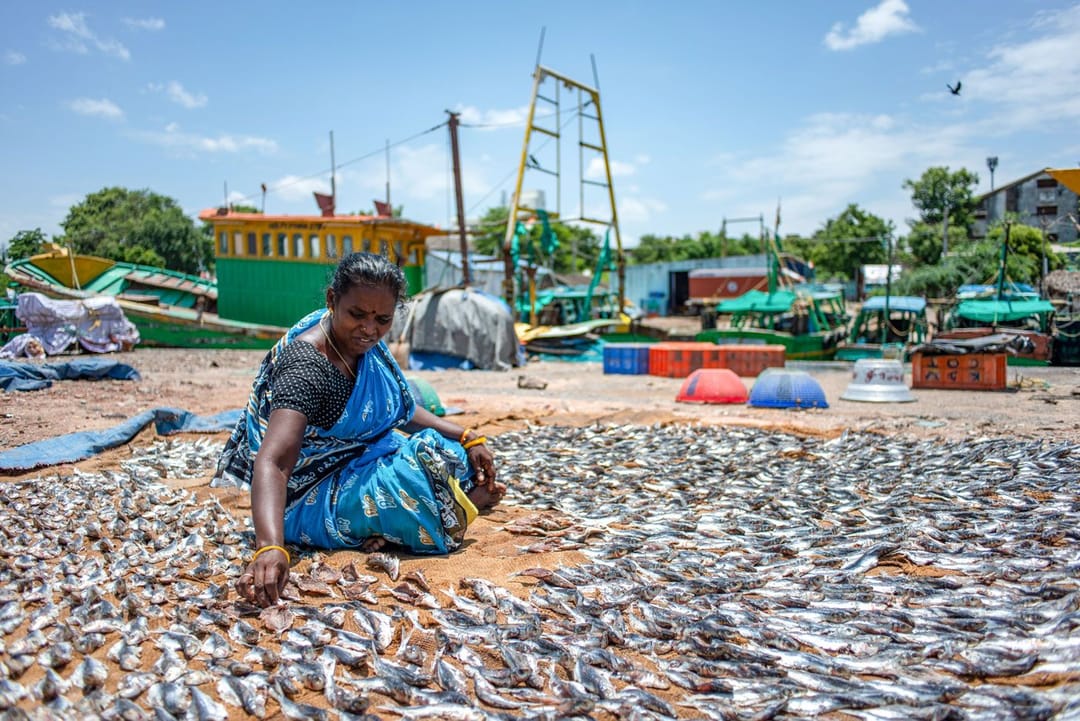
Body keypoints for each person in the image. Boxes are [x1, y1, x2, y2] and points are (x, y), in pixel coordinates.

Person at [213, 252, 504, 608]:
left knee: (450, 453)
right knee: (410, 485)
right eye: (357, 315)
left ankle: (424, 516)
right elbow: (273, 461)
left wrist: (467, 435)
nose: (369, 329)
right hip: (306, 492)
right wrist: (270, 546)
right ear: (333, 300)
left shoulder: (367, 348)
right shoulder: (308, 365)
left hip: (357, 456)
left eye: (382, 319)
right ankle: (456, 507)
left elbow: (403, 410)